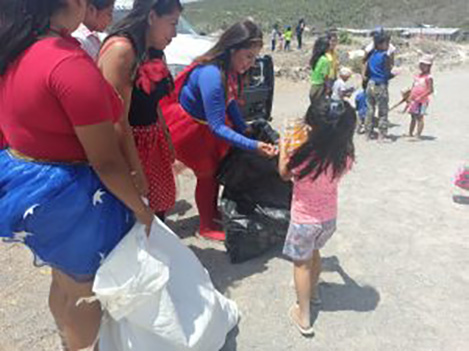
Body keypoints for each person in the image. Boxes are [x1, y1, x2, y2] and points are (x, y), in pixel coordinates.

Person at [0, 1, 154, 350]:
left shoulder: (17, 49)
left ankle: (66, 341)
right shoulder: (65, 62)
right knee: (87, 291)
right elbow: (106, 162)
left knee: (63, 277)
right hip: (68, 195)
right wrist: (141, 209)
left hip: (28, 186)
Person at [161, 19, 277, 241]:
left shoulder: (229, 70)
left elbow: (230, 100)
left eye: (254, 58)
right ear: (233, 49)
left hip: (203, 127)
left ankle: (211, 213)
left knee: (212, 173)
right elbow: (217, 126)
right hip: (190, 129)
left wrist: (243, 128)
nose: (251, 63)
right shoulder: (212, 75)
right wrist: (254, 146)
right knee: (207, 174)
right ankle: (205, 226)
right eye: (248, 56)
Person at [98, 0, 183, 221]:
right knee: (135, 214)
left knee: (157, 211)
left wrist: (166, 138)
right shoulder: (122, 51)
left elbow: (153, 104)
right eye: (172, 23)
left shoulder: (152, 52)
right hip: (127, 148)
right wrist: (136, 172)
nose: (174, 34)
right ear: (152, 16)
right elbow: (117, 120)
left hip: (151, 141)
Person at [279, 99, 356, 336]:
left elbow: (283, 174)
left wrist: (283, 146)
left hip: (304, 221)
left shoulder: (303, 157)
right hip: (327, 220)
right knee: (314, 253)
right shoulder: (345, 156)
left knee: (300, 265)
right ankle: (313, 294)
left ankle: (303, 315)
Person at [364, 32, 394, 141]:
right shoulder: (384, 56)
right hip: (380, 84)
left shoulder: (372, 55)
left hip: (370, 83)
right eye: (387, 43)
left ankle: (368, 132)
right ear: (381, 44)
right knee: (383, 110)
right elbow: (387, 72)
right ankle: (382, 134)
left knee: (370, 109)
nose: (388, 46)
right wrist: (393, 74)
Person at [405, 54, 434, 139]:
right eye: (421, 64)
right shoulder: (417, 76)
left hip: (423, 101)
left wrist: (421, 96)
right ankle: (410, 133)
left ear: (429, 66)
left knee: (420, 117)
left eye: (424, 65)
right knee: (412, 116)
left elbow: (430, 90)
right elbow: (413, 87)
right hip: (414, 100)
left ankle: (418, 135)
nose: (422, 66)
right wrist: (409, 97)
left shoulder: (429, 77)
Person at [309, 36, 331, 103]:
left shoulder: (315, 58)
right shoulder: (325, 60)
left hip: (313, 86)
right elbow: (325, 76)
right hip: (320, 87)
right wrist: (328, 87)